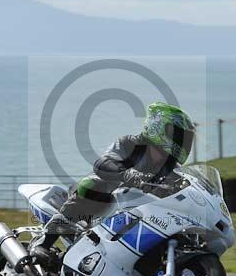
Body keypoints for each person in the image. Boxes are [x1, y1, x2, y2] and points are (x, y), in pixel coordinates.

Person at [31, 102, 195, 262]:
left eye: (185, 138)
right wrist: (128, 174)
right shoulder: (129, 144)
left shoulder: (172, 168)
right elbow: (103, 164)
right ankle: (44, 242)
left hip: (135, 217)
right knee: (92, 186)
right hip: (103, 204)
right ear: (158, 126)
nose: (182, 142)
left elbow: (182, 192)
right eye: (178, 135)